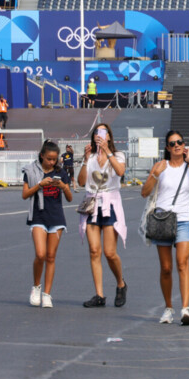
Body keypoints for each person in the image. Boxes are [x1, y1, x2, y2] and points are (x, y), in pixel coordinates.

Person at [141, 131, 189, 325]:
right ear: (168, 148)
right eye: (173, 143)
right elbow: (144, 193)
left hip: (183, 218)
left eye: (180, 142)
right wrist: (155, 174)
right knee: (166, 268)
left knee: (182, 262)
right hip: (162, 219)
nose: (177, 145)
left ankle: (186, 309)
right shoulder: (161, 166)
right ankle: (168, 307)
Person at [78, 123, 129, 308]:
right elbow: (81, 181)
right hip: (92, 204)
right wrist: (84, 160)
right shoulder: (90, 157)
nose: (100, 136)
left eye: (104, 132)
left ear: (109, 136)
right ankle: (99, 294)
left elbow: (120, 172)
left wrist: (107, 152)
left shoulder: (117, 155)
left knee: (109, 252)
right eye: (97, 133)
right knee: (94, 251)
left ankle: (121, 284)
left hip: (110, 204)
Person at [22, 140, 73, 308]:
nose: (52, 162)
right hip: (38, 216)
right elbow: (25, 194)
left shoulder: (61, 172)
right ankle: (36, 287)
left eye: (54, 159)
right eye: (49, 158)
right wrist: (39, 185)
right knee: (40, 254)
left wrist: (63, 186)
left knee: (51, 256)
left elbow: (70, 198)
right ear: (42, 155)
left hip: (56, 217)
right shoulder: (30, 171)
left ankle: (47, 294)